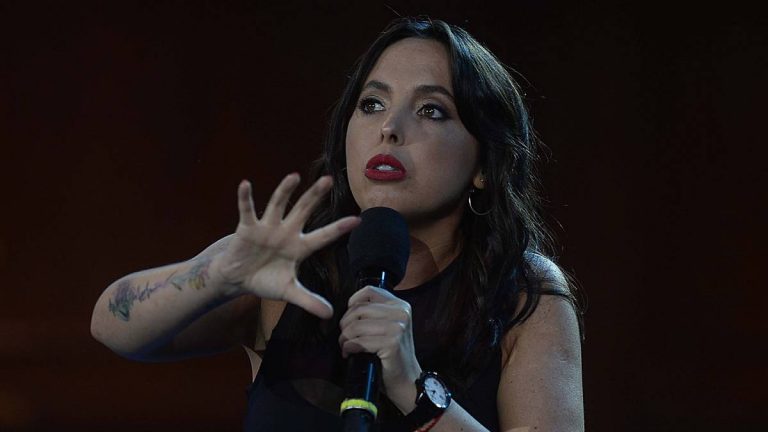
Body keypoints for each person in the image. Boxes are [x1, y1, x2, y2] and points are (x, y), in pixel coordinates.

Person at [91, 17, 584, 432]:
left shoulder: (523, 294)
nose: (389, 128)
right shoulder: (292, 265)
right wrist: (216, 275)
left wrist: (414, 388)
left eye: (431, 110)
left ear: (485, 164)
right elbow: (112, 325)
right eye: (372, 104)